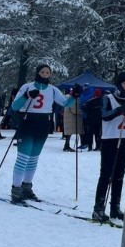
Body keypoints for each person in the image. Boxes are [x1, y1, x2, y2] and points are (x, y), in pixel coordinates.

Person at [9, 64, 77, 204]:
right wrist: (27, 96)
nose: (45, 74)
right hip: (27, 123)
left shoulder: (53, 90)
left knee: (33, 159)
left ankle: (27, 188)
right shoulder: (27, 87)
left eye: (48, 73)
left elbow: (66, 104)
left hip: (43, 124)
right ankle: (16, 191)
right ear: (37, 72)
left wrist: (75, 95)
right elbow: (15, 106)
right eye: (43, 72)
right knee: (23, 158)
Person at [92, 72, 125, 222]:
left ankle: (115, 207)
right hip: (110, 138)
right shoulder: (108, 98)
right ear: (118, 84)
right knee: (106, 174)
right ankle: (98, 208)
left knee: (119, 174)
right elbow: (104, 115)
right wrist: (120, 110)